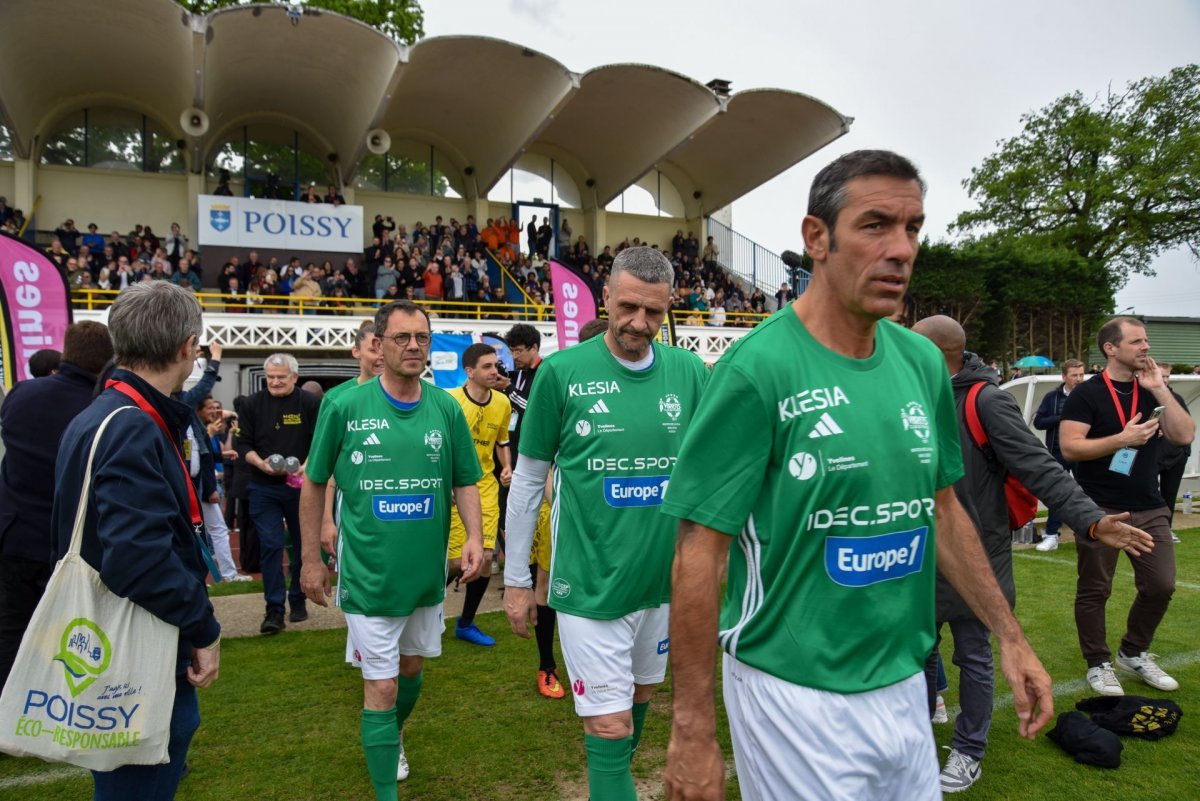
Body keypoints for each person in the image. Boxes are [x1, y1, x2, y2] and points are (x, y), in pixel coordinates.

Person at [660, 150, 1053, 801]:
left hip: (906, 682)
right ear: (817, 237)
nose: (900, 249)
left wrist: (1010, 634)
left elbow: (945, 509)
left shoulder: (924, 363)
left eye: (912, 228)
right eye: (876, 225)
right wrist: (693, 727)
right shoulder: (756, 371)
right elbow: (698, 554)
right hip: (791, 690)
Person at [913, 315, 1152, 793]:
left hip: (978, 553)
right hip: (920, 553)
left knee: (975, 654)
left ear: (940, 355)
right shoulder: (911, 395)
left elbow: (1041, 467)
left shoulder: (986, 400)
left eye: (911, 348)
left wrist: (1088, 517)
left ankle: (968, 750)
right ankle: (927, 717)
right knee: (920, 648)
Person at [504, 247, 708, 801]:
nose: (639, 323)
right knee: (608, 725)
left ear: (668, 309)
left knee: (639, 704)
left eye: (654, 313)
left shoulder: (690, 373)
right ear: (607, 299)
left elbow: (711, 473)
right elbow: (526, 484)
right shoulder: (562, 374)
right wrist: (518, 580)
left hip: (662, 585)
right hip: (588, 584)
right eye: (629, 308)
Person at [299, 300, 484, 798]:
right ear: (378, 345)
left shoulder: (445, 407)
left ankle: (393, 733)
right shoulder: (343, 405)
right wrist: (311, 559)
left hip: (425, 577)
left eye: (421, 337)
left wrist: (474, 537)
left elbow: (466, 479)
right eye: (402, 337)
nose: (413, 346)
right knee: (380, 687)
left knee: (410, 673)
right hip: (369, 575)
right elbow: (314, 483)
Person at [51, 283, 220, 799]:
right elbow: (138, 559)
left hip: (115, 636)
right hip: (133, 644)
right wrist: (204, 627)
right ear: (188, 347)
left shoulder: (109, 412)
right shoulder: (129, 424)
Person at [1060, 316, 1195, 695]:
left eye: (1146, 340)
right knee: (1095, 588)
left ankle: (1133, 652)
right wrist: (1122, 438)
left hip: (1149, 505)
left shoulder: (1154, 388)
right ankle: (1098, 662)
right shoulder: (1087, 394)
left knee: (1161, 584)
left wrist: (1161, 391)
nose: (1146, 347)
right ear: (1111, 348)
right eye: (1137, 341)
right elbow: (1071, 447)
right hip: (1099, 508)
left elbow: (1184, 435)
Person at [0, 322, 113, 692]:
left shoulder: (23, 394)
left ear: (65, 353)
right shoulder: (100, 409)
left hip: (15, 535)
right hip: (69, 542)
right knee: (74, 635)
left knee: (11, 632)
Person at [237, 353, 322, 634]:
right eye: (270, 377)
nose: (274, 382)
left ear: (294, 377)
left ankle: (298, 599)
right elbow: (243, 445)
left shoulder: (310, 403)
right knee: (271, 545)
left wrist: (306, 467)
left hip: (301, 490)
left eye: (280, 377)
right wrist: (260, 463)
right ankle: (274, 609)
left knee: (302, 547)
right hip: (263, 488)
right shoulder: (251, 404)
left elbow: (322, 441)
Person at [502, 323, 564, 698]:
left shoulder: (548, 375)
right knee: (544, 580)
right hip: (538, 492)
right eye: (511, 351)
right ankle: (547, 666)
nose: (514, 357)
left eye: (519, 350)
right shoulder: (518, 378)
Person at [446, 343, 512, 646]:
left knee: (485, 559)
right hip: (455, 488)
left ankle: (466, 623)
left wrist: (507, 466)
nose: (494, 372)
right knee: (457, 562)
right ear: (469, 371)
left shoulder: (502, 402)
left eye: (495, 365)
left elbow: (501, 440)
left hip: (485, 486)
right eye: (486, 367)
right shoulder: (450, 402)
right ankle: (421, 612)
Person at [1031, 358, 1087, 550]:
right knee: (1057, 493)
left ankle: (1088, 531)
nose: (1079, 379)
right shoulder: (1052, 397)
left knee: (1087, 492)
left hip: (1085, 451)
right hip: (1058, 451)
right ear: (1064, 377)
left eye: (1081, 374)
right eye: (1074, 375)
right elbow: (1039, 422)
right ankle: (1052, 534)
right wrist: (1063, 418)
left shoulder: (1090, 395)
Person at [1156, 365, 1192, 542]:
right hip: (1151, 456)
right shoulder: (1142, 398)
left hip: (1176, 455)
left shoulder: (1176, 398)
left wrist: (1185, 451)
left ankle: (1166, 529)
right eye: (1161, 376)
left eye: (1167, 376)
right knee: (1146, 493)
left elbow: (1187, 427)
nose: (1164, 380)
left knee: (1169, 494)